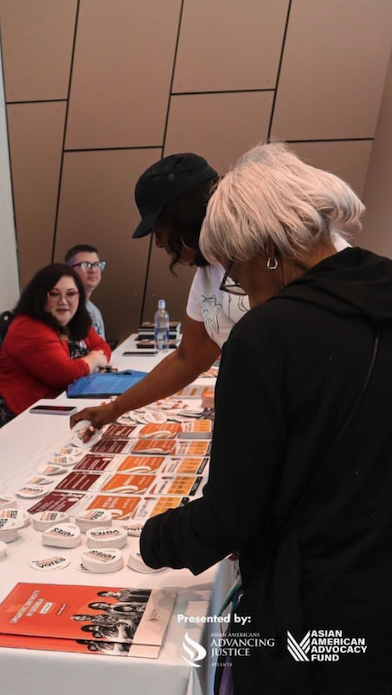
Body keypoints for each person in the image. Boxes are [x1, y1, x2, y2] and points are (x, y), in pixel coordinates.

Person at [139, 143, 392, 694]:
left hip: (313, 624)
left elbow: (232, 514)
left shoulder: (267, 336)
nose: (240, 289)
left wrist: (156, 539)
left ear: (269, 250)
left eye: (234, 270)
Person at [70, 153, 348, 434]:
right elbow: (188, 358)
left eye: (158, 230)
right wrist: (115, 408)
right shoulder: (208, 272)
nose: (158, 243)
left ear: (182, 222)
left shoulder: (297, 254)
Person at [0, 264, 111, 438]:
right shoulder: (29, 327)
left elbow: (104, 347)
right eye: (54, 294)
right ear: (40, 296)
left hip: (54, 407)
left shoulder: (73, 318)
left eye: (71, 294)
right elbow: (66, 374)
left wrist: (92, 358)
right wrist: (94, 358)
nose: (63, 301)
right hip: (16, 419)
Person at [65, 244, 106, 339]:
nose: (93, 270)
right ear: (69, 270)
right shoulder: (64, 309)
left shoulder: (95, 312)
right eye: (85, 265)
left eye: (96, 265)